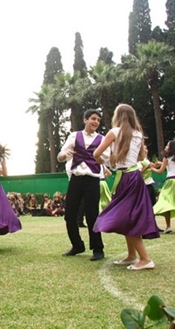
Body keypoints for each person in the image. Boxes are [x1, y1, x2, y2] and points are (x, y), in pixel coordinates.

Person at [92, 104, 159, 270]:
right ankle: (131, 256)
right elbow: (140, 156)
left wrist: (105, 161)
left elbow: (96, 154)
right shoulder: (138, 134)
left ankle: (145, 259)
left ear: (118, 116)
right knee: (129, 216)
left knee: (126, 217)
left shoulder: (114, 132)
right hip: (134, 177)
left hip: (126, 178)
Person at [57, 109, 109, 261]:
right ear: (85, 120)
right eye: (93, 119)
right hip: (76, 179)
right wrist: (63, 156)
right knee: (69, 215)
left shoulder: (102, 138)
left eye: (98, 120)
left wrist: (103, 161)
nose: (96, 122)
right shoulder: (74, 136)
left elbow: (107, 159)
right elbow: (61, 155)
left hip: (93, 180)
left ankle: (98, 249)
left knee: (93, 215)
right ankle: (77, 245)